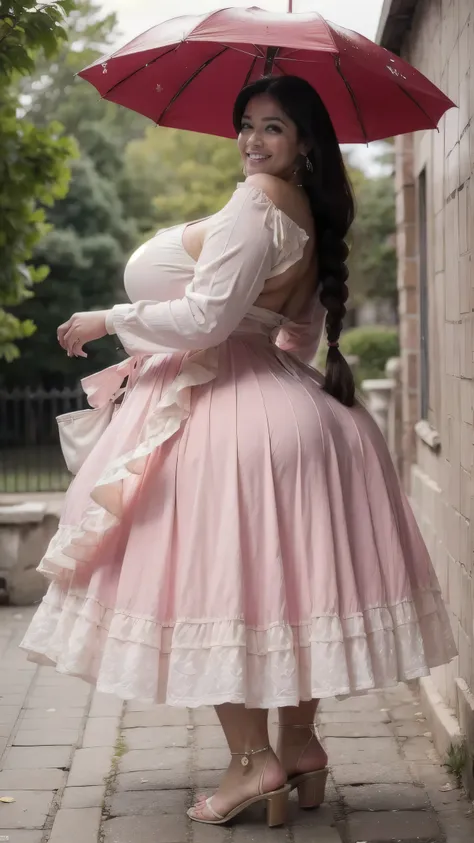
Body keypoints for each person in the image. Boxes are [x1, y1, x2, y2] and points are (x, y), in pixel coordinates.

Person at [20, 75, 456, 828]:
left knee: (220, 584)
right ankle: (299, 745)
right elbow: (299, 335)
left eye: (274, 127)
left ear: (305, 142)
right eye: (246, 124)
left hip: (227, 414)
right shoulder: (307, 215)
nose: (253, 140)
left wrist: (108, 316)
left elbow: (208, 315)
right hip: (284, 400)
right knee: (283, 586)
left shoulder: (257, 204)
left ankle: (254, 764)